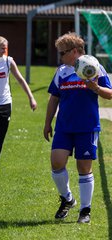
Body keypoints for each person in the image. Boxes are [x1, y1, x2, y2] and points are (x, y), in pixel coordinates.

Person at [44, 32, 112, 224]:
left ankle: (85, 210)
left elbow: (110, 93)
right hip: (64, 126)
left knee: (84, 167)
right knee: (57, 162)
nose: (60, 57)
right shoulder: (62, 71)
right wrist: (47, 122)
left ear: (74, 52)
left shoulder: (94, 67)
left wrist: (96, 89)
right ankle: (67, 198)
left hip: (87, 126)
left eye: (62, 53)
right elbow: (54, 98)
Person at [0, 35, 37, 174]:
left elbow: (20, 80)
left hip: (4, 104)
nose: (5, 50)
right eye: (2, 48)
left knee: (0, 136)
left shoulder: (8, 62)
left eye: (6, 48)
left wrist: (31, 98)